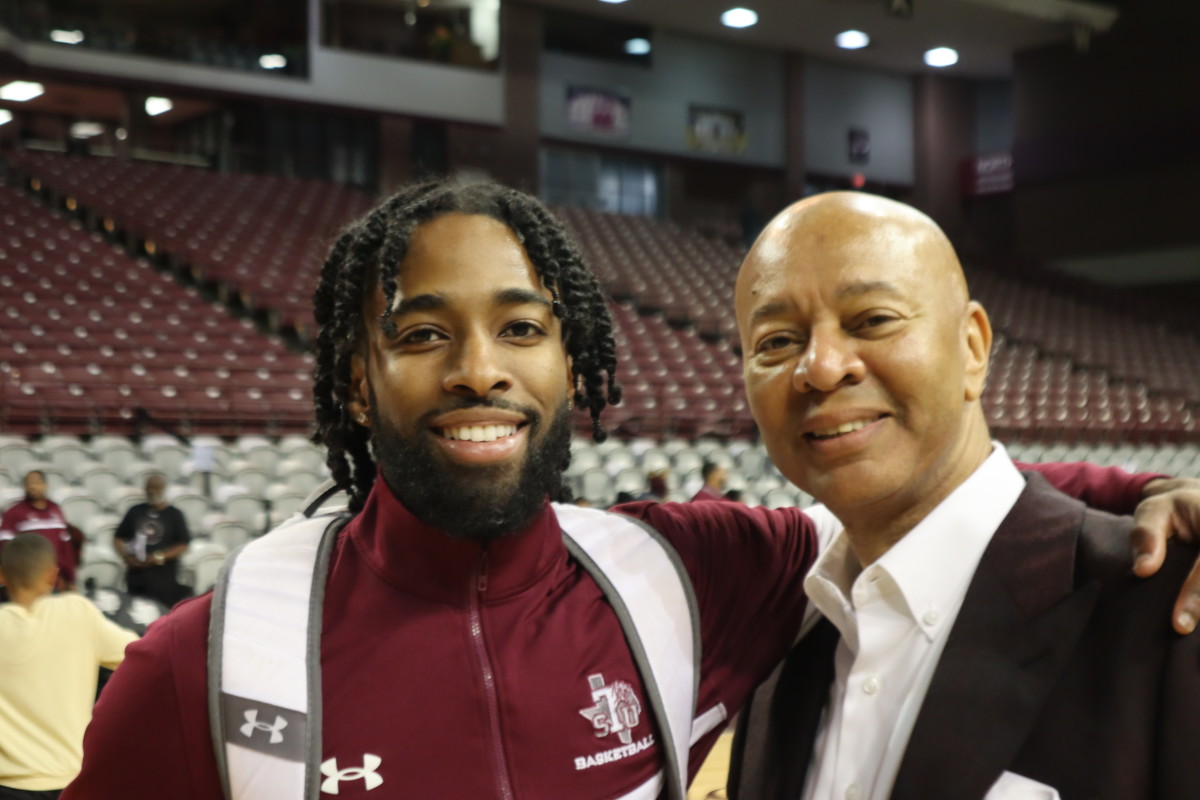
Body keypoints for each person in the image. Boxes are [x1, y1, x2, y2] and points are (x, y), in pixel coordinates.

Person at [63, 180, 1200, 800]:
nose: (479, 368)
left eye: (522, 327)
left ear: (576, 365)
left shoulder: (689, 573)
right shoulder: (200, 670)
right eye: (421, 333)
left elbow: (914, 495)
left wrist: (1153, 485)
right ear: (356, 383)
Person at [728, 192, 1200, 800]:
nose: (820, 367)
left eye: (872, 320)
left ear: (973, 348)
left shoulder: (1172, 606)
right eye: (776, 342)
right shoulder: (777, 640)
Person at [0, 534, 137, 799]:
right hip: (72, 783)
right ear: (52, 575)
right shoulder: (79, 612)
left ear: (2, 576)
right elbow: (141, 656)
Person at [113, 474, 191, 608]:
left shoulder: (174, 515)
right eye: (149, 488)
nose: (152, 492)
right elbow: (118, 538)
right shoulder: (135, 511)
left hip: (163, 578)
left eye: (156, 488)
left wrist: (158, 557)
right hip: (136, 577)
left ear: (163, 489)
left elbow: (183, 545)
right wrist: (126, 556)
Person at [0, 471, 75, 592]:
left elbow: (65, 547)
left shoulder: (56, 510)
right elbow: (5, 547)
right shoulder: (13, 512)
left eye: (36, 482)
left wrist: (70, 578)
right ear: (24, 487)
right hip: (27, 583)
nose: (32, 486)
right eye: (28, 483)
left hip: (54, 582)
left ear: (45, 485)